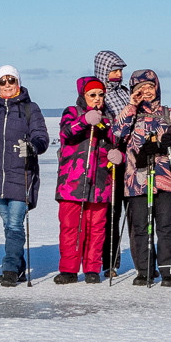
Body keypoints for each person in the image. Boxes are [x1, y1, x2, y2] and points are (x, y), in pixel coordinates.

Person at [0, 66, 50, 286]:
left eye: (11, 80)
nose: (7, 85)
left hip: (21, 174)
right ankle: (19, 267)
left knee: (15, 224)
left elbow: (41, 137)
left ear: (18, 82)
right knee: (8, 225)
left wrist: (32, 147)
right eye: (2, 82)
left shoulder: (30, 108)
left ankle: (9, 269)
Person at [111, 69, 171, 287]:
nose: (146, 91)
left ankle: (168, 271)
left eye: (150, 87)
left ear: (157, 88)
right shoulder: (130, 114)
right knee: (140, 227)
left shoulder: (170, 114)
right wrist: (131, 105)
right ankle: (144, 271)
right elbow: (117, 133)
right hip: (136, 180)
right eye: (140, 88)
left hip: (165, 179)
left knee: (165, 226)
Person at [54, 77, 114, 284]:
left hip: (100, 183)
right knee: (71, 227)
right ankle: (69, 269)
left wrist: (117, 155)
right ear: (83, 96)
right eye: (92, 95)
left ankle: (92, 269)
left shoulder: (108, 117)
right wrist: (85, 120)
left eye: (100, 95)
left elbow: (114, 143)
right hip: (72, 182)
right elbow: (66, 134)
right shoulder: (72, 112)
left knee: (96, 228)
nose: (97, 99)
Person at [93, 50, 132, 276]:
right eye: (114, 70)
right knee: (111, 214)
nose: (118, 75)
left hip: (133, 158)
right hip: (110, 161)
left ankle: (145, 260)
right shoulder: (99, 95)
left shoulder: (125, 93)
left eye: (120, 71)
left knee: (134, 213)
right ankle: (110, 262)